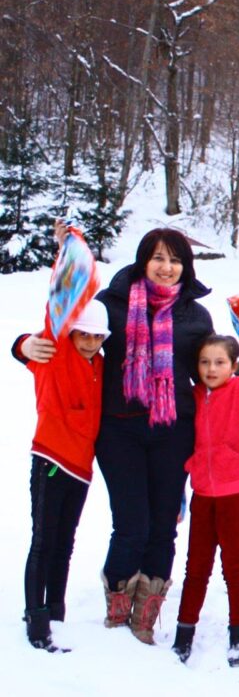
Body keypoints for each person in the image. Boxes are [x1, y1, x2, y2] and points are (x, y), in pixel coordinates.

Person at [75, 228, 212, 643]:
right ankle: (118, 603)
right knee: (132, 522)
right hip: (119, 427)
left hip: (174, 430)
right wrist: (25, 344)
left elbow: (210, 368)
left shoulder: (195, 315)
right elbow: (74, 341)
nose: (166, 267)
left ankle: (147, 612)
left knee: (163, 525)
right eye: (158, 258)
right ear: (142, 260)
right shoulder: (110, 305)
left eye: (175, 260)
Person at [11, 257, 109, 652]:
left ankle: (56, 610)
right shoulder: (54, 353)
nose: (88, 342)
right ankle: (35, 619)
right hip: (50, 459)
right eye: (82, 334)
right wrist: (21, 345)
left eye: (96, 337)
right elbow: (55, 311)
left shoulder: (101, 365)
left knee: (66, 542)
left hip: (81, 470)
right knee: (44, 539)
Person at [171, 334, 239, 667]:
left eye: (219, 362)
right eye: (204, 362)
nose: (211, 369)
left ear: (232, 365)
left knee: (235, 566)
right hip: (203, 493)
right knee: (196, 567)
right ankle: (184, 634)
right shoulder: (192, 396)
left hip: (237, 493)